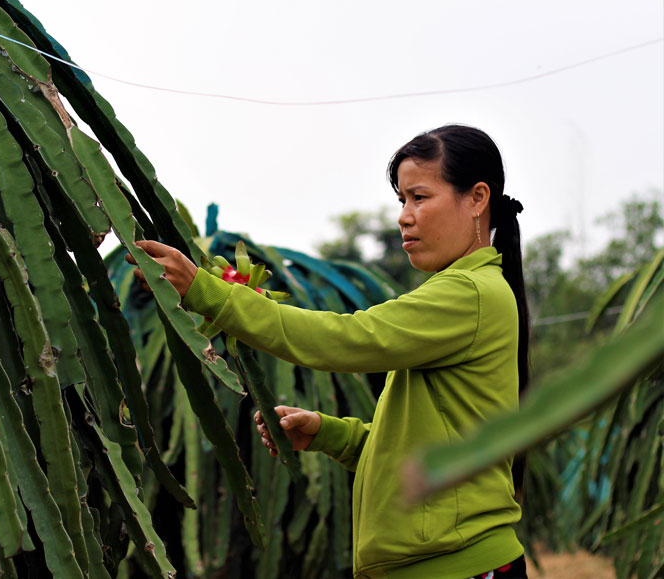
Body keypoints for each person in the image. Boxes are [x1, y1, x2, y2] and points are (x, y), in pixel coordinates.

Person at [127, 124, 530, 579]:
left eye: (420, 197)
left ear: (477, 198)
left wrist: (206, 292)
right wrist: (327, 434)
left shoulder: (469, 294)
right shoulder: (466, 293)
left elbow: (343, 338)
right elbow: (418, 451)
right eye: (402, 200)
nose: (404, 216)